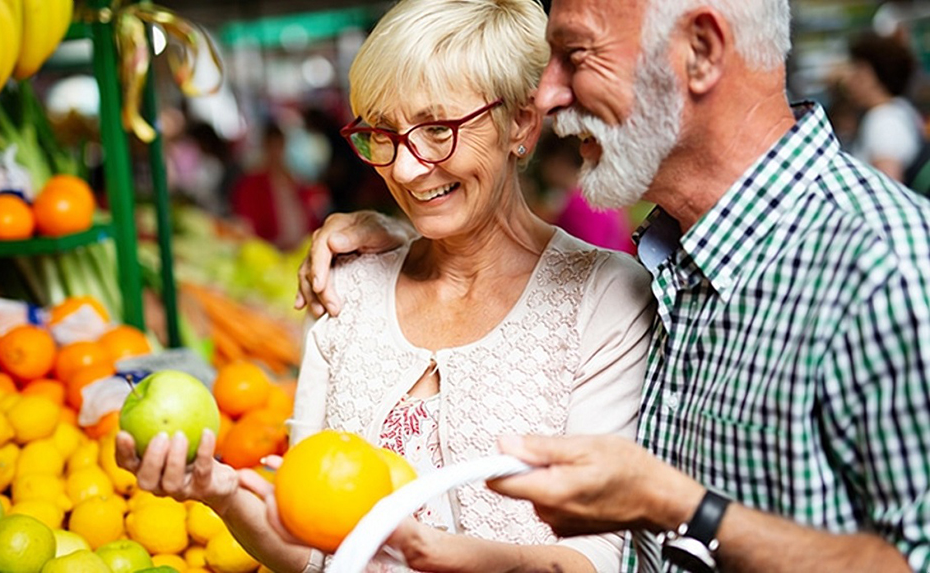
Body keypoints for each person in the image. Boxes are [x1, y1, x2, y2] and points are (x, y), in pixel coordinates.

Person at [297, 0, 930, 571]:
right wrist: (410, 234)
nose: (545, 96)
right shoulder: (678, 258)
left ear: (701, 52)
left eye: (574, 56)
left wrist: (674, 504)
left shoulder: (886, 264)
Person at [117, 1, 654, 572]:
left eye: (436, 130)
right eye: (383, 134)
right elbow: (310, 547)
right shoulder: (347, 288)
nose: (404, 168)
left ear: (520, 123)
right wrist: (222, 495)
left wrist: (433, 555)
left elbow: (596, 558)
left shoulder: (605, 301)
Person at [840, 31, 925, 182]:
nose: (848, 80)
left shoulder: (883, 121)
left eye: (857, 71)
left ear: (874, 76)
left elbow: (890, 184)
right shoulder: (901, 109)